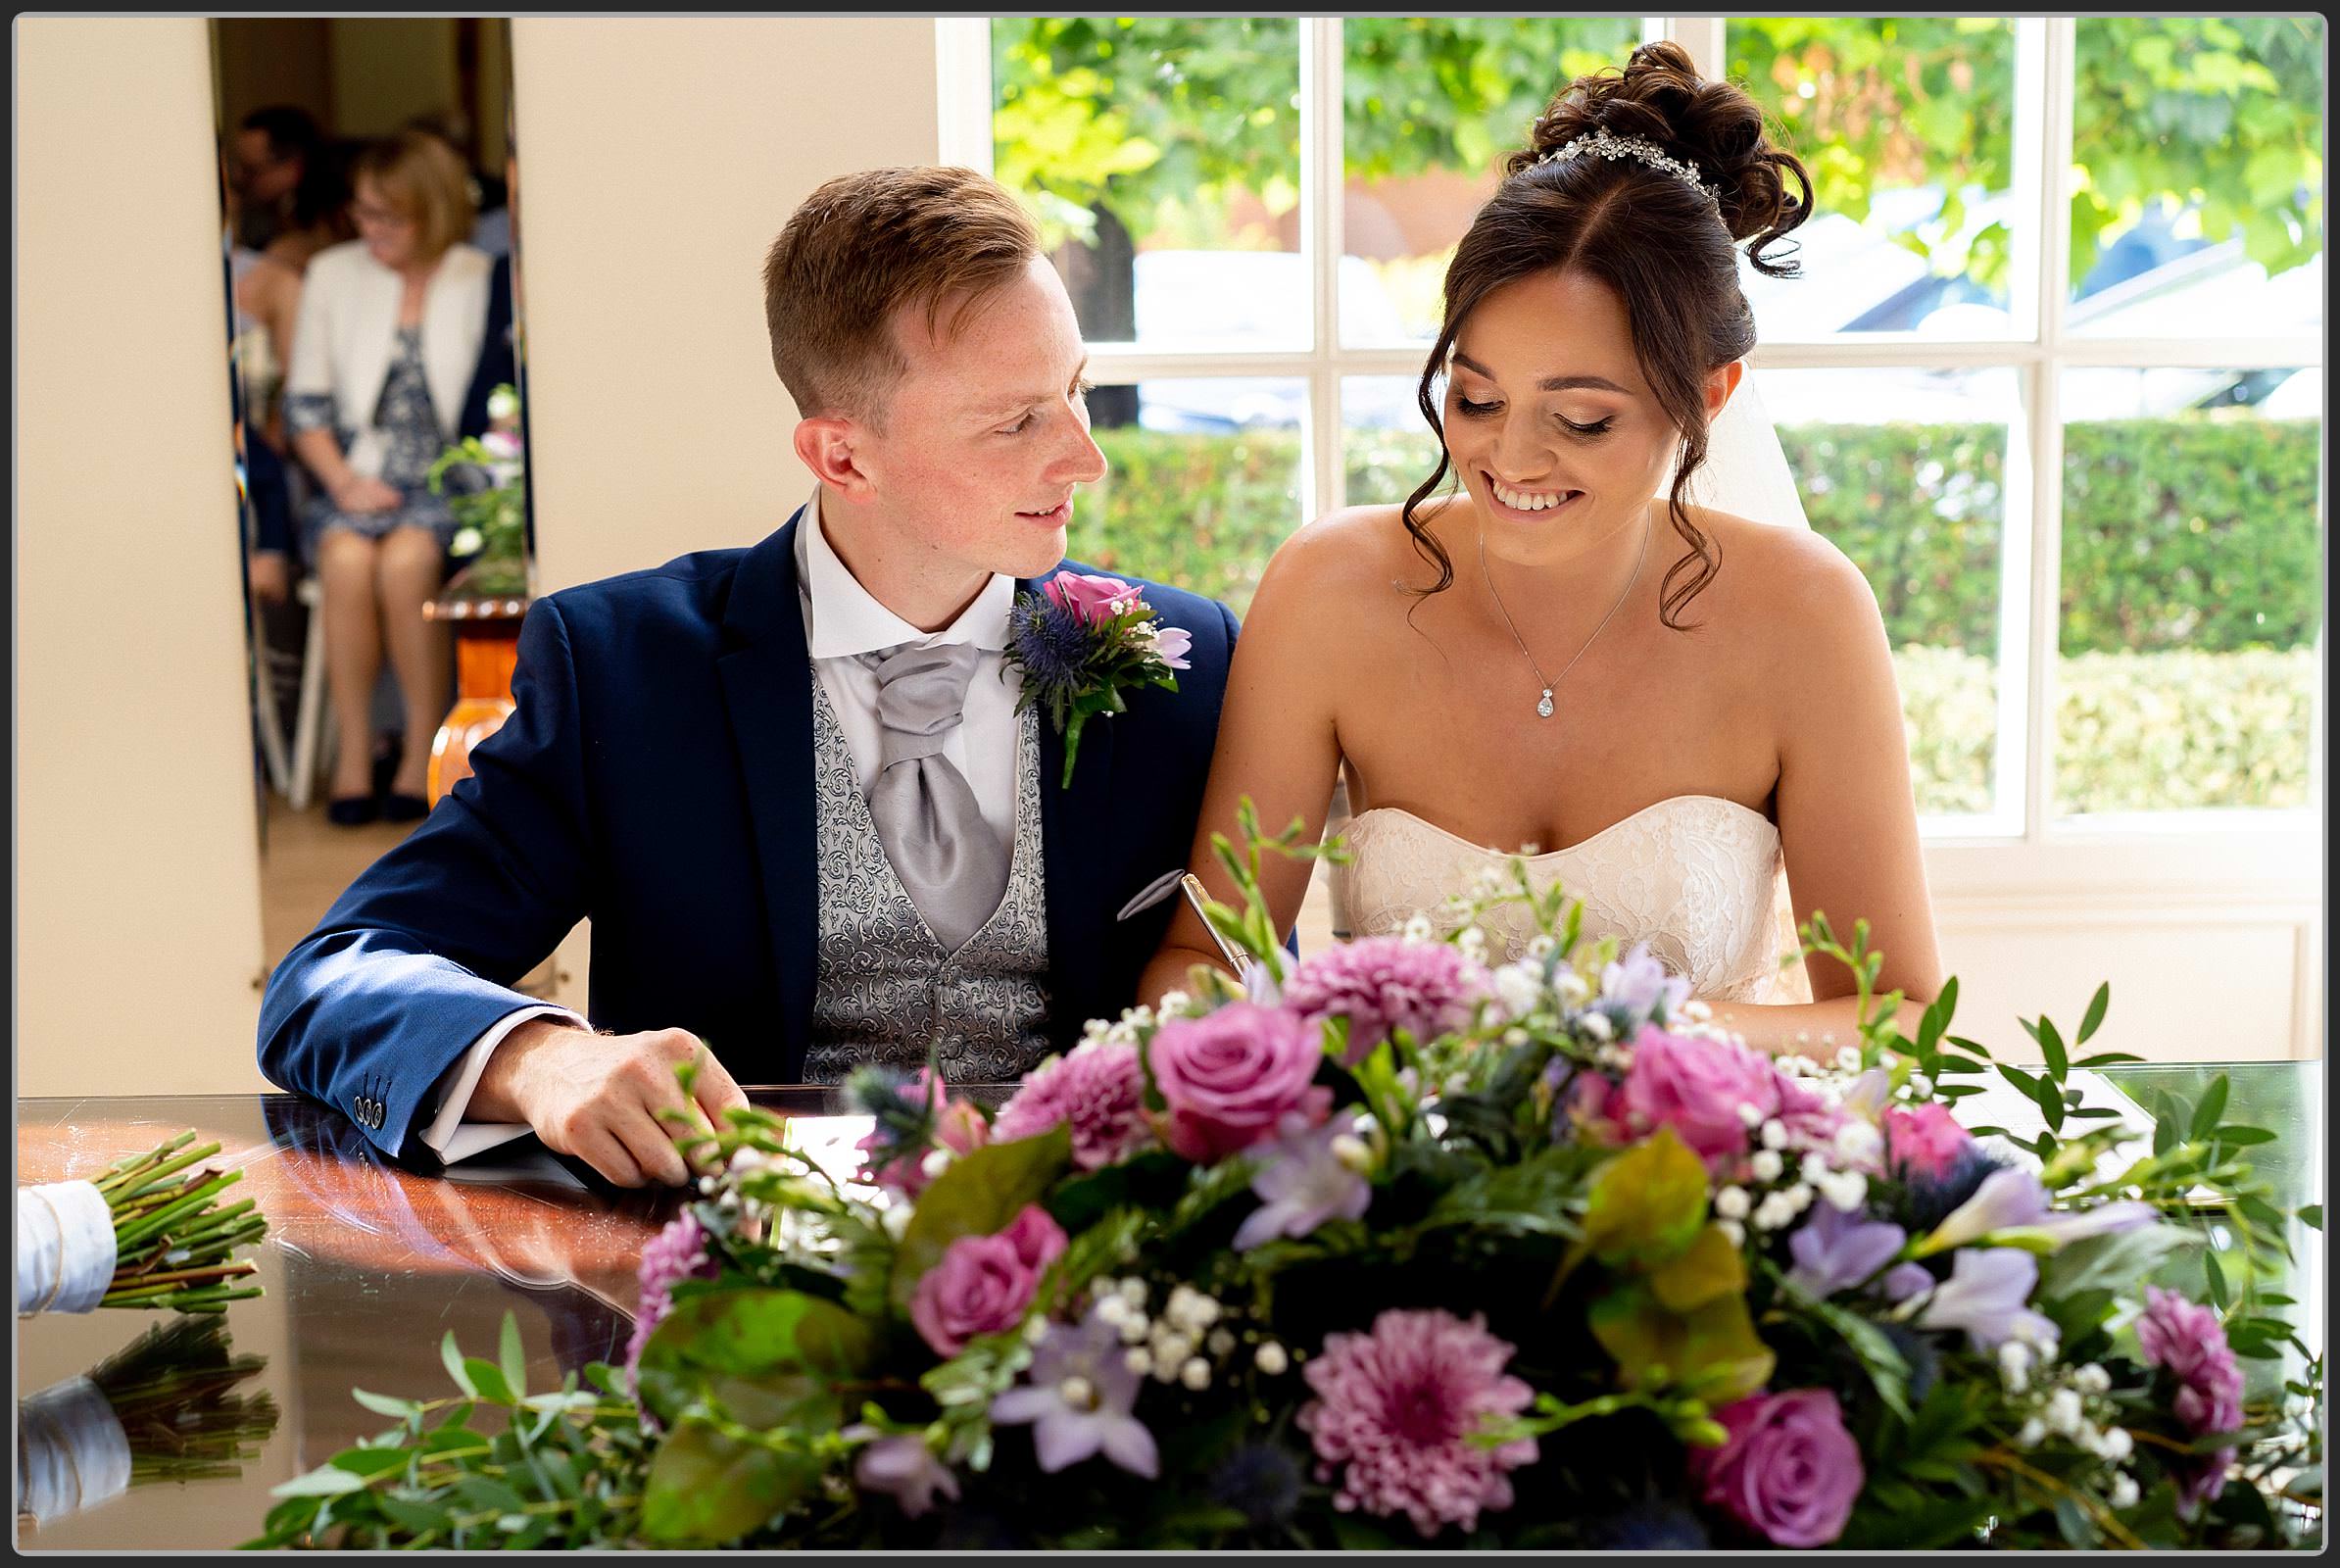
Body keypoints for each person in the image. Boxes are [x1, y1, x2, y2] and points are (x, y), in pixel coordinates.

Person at [258, 166, 1241, 1189]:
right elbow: (329, 979)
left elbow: (1251, 994)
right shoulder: (624, 672)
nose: (1086, 458)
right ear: (841, 456)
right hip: (737, 1284)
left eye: (1074, 389)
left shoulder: (1185, 657)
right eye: (1016, 421)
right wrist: (540, 1057)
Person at [1140, 43, 1943, 1054]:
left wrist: (1638, 1034)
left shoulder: (1805, 615)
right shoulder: (1329, 591)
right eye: (1477, 399)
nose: (1510, 458)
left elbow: (1903, 1018)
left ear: (1707, 397)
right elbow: (1206, 956)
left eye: (1583, 420)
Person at [281, 129, 496, 825]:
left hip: (449, 483)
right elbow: (305, 407)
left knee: (408, 562)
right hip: (355, 476)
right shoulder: (333, 274)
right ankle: (351, 756)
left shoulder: (478, 274)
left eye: (388, 217)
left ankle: (418, 756)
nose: (370, 230)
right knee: (344, 559)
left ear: (430, 210)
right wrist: (342, 483)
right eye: (363, 213)